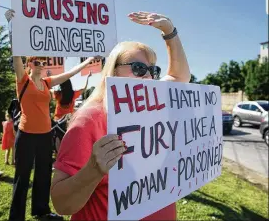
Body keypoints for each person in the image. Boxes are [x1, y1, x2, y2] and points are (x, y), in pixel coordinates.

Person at [51, 11, 191, 220]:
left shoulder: (152, 104)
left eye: (153, 70)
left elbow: (180, 77)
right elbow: (62, 204)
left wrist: (169, 31)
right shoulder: (90, 119)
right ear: (113, 72)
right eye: (138, 68)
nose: (149, 76)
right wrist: (94, 170)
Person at [5, 9, 98, 221]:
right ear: (29, 65)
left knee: (44, 175)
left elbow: (70, 74)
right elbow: (15, 54)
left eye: (43, 62)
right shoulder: (23, 81)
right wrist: (12, 27)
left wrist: (88, 61)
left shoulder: (47, 83)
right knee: (22, 176)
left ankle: (41, 210)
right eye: (37, 62)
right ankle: (16, 216)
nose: (41, 65)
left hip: (45, 135)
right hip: (27, 135)